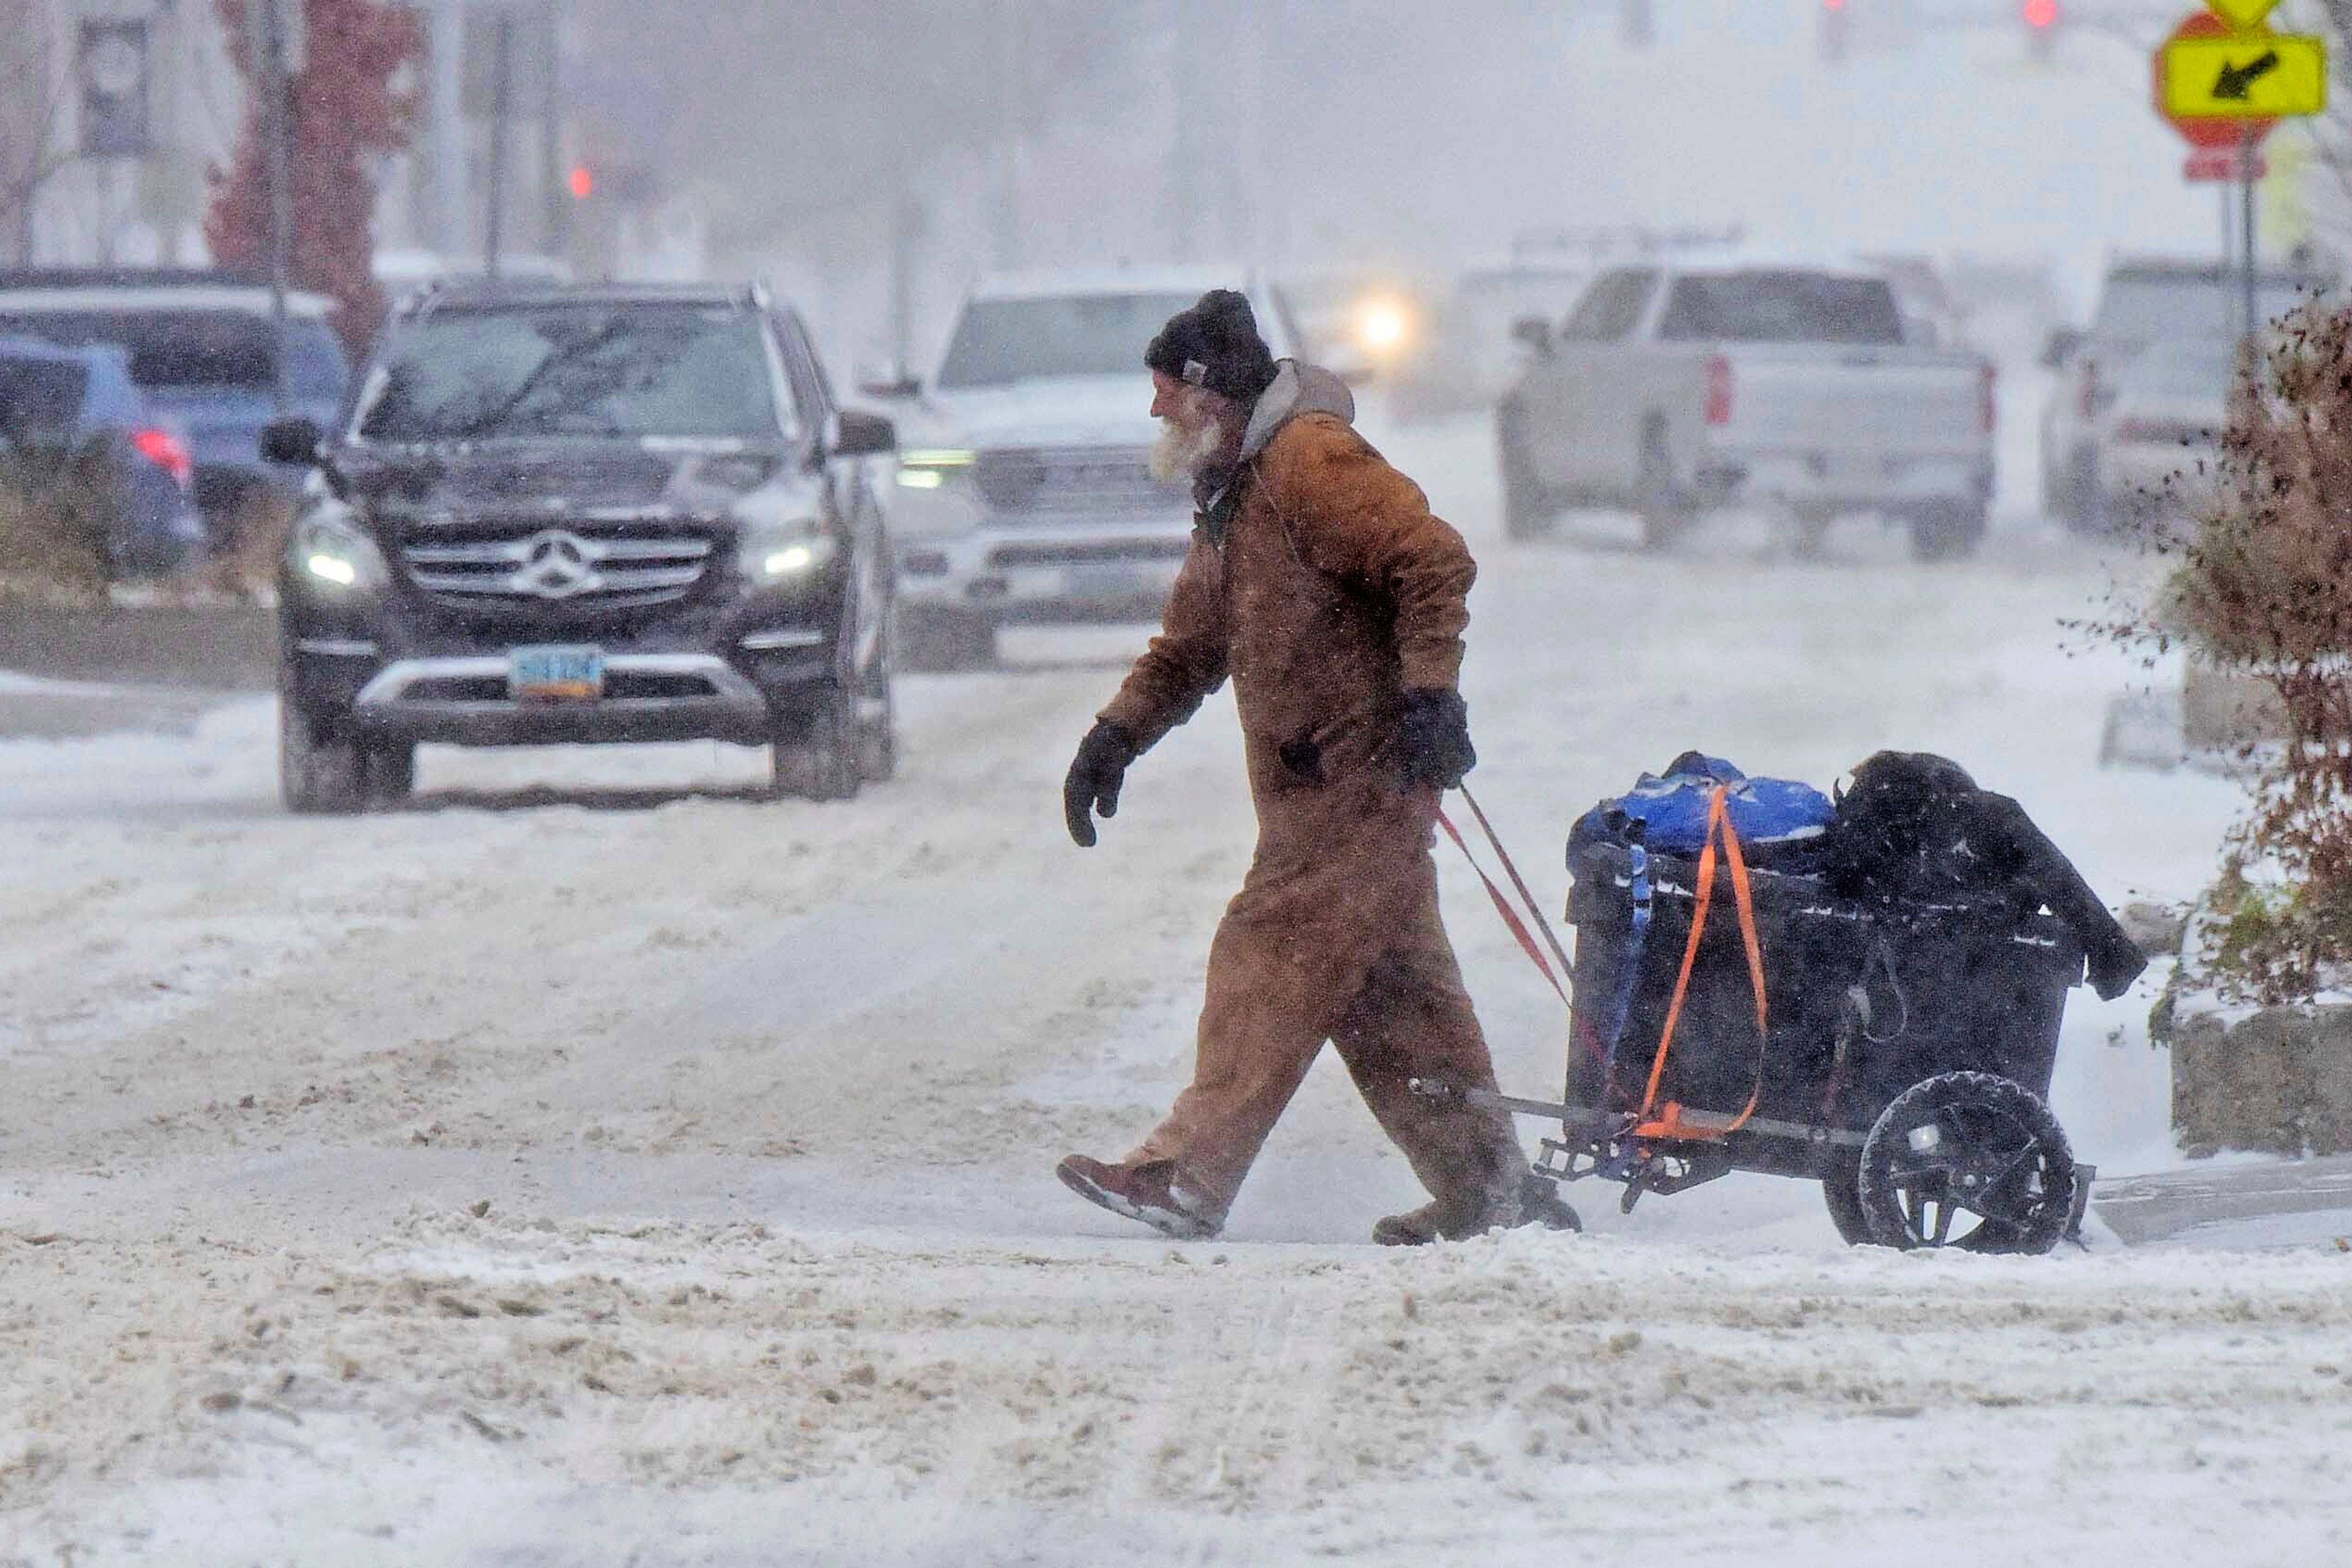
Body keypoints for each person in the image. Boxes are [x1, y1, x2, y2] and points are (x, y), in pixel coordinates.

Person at [1054, 288, 1576, 1246]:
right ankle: (1493, 1192)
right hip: (1315, 796)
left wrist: (1430, 699)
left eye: (1166, 392)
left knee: (1270, 949)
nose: (1156, 411)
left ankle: (1186, 1173)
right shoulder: (1235, 490)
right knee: (1395, 1006)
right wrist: (1113, 739)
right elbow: (1190, 646)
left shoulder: (1308, 463)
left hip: (1358, 782)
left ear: (1211, 394)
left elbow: (1432, 559)